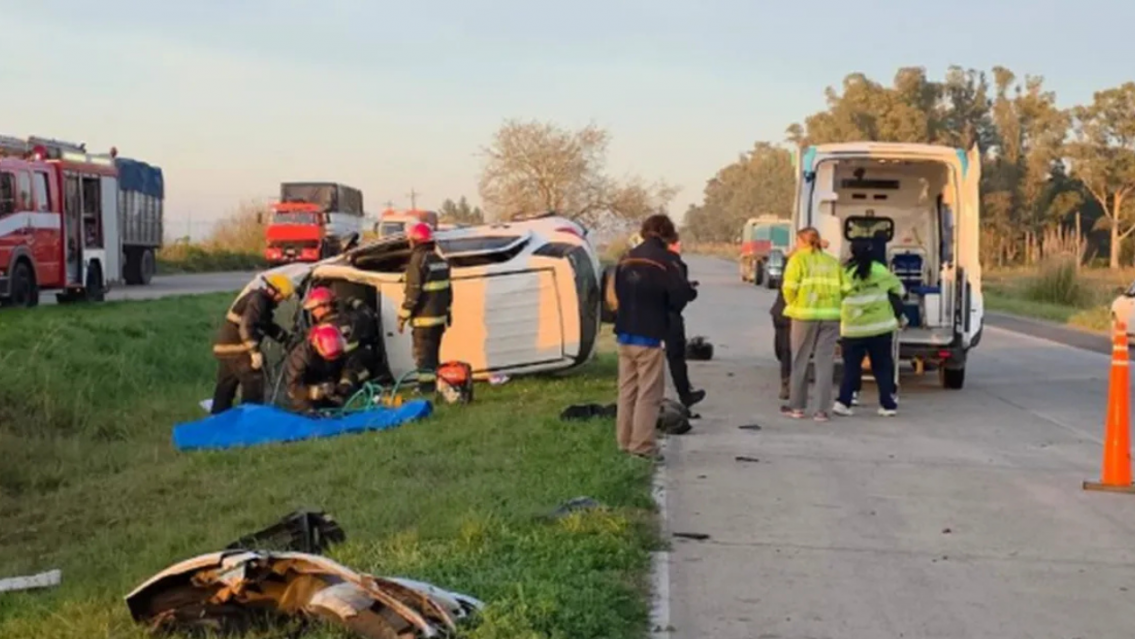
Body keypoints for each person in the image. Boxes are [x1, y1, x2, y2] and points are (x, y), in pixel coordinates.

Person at [613, 214, 692, 460]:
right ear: (668, 234)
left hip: (625, 333)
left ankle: (624, 441)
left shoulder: (626, 258)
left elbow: (617, 291)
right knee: (649, 394)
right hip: (650, 335)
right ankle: (642, 446)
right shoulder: (666, 261)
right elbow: (679, 296)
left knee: (627, 391)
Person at [833, 239, 905, 417]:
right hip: (879, 327)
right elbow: (899, 290)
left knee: (851, 367)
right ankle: (887, 405)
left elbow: (837, 295)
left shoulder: (844, 272)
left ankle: (844, 402)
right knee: (882, 367)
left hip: (853, 328)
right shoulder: (880, 270)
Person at [780, 227, 845, 421]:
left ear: (801, 241)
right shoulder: (832, 262)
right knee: (825, 363)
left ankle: (797, 407)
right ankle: (821, 411)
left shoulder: (798, 260)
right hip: (831, 317)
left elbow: (789, 288)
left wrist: (794, 304)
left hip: (804, 316)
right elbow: (846, 288)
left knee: (800, 360)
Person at [210, 273, 295, 414]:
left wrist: (286, 339)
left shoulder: (260, 301)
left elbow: (266, 325)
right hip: (238, 348)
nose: (281, 301)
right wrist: (254, 352)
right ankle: (250, 420)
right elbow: (247, 325)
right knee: (253, 380)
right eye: (282, 297)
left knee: (226, 386)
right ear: (274, 291)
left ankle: (217, 419)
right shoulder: (258, 300)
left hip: (225, 348)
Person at [397, 222, 452, 394]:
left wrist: (402, 316)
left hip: (423, 320)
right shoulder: (441, 261)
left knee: (424, 357)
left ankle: (426, 389)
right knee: (433, 355)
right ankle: (435, 385)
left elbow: (413, 292)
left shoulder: (417, 261)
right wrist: (448, 313)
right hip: (440, 318)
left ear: (415, 241)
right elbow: (448, 291)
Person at [664, 238, 706, 407]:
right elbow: (681, 292)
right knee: (676, 356)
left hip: (646, 315)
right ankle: (685, 394)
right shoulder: (675, 263)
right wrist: (691, 291)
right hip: (670, 314)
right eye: (676, 243)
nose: (680, 246)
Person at [284, 324, 347, 414]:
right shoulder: (300, 357)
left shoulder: (338, 347)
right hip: (305, 395)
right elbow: (292, 387)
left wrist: (345, 381)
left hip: (329, 387)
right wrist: (310, 392)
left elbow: (346, 365)